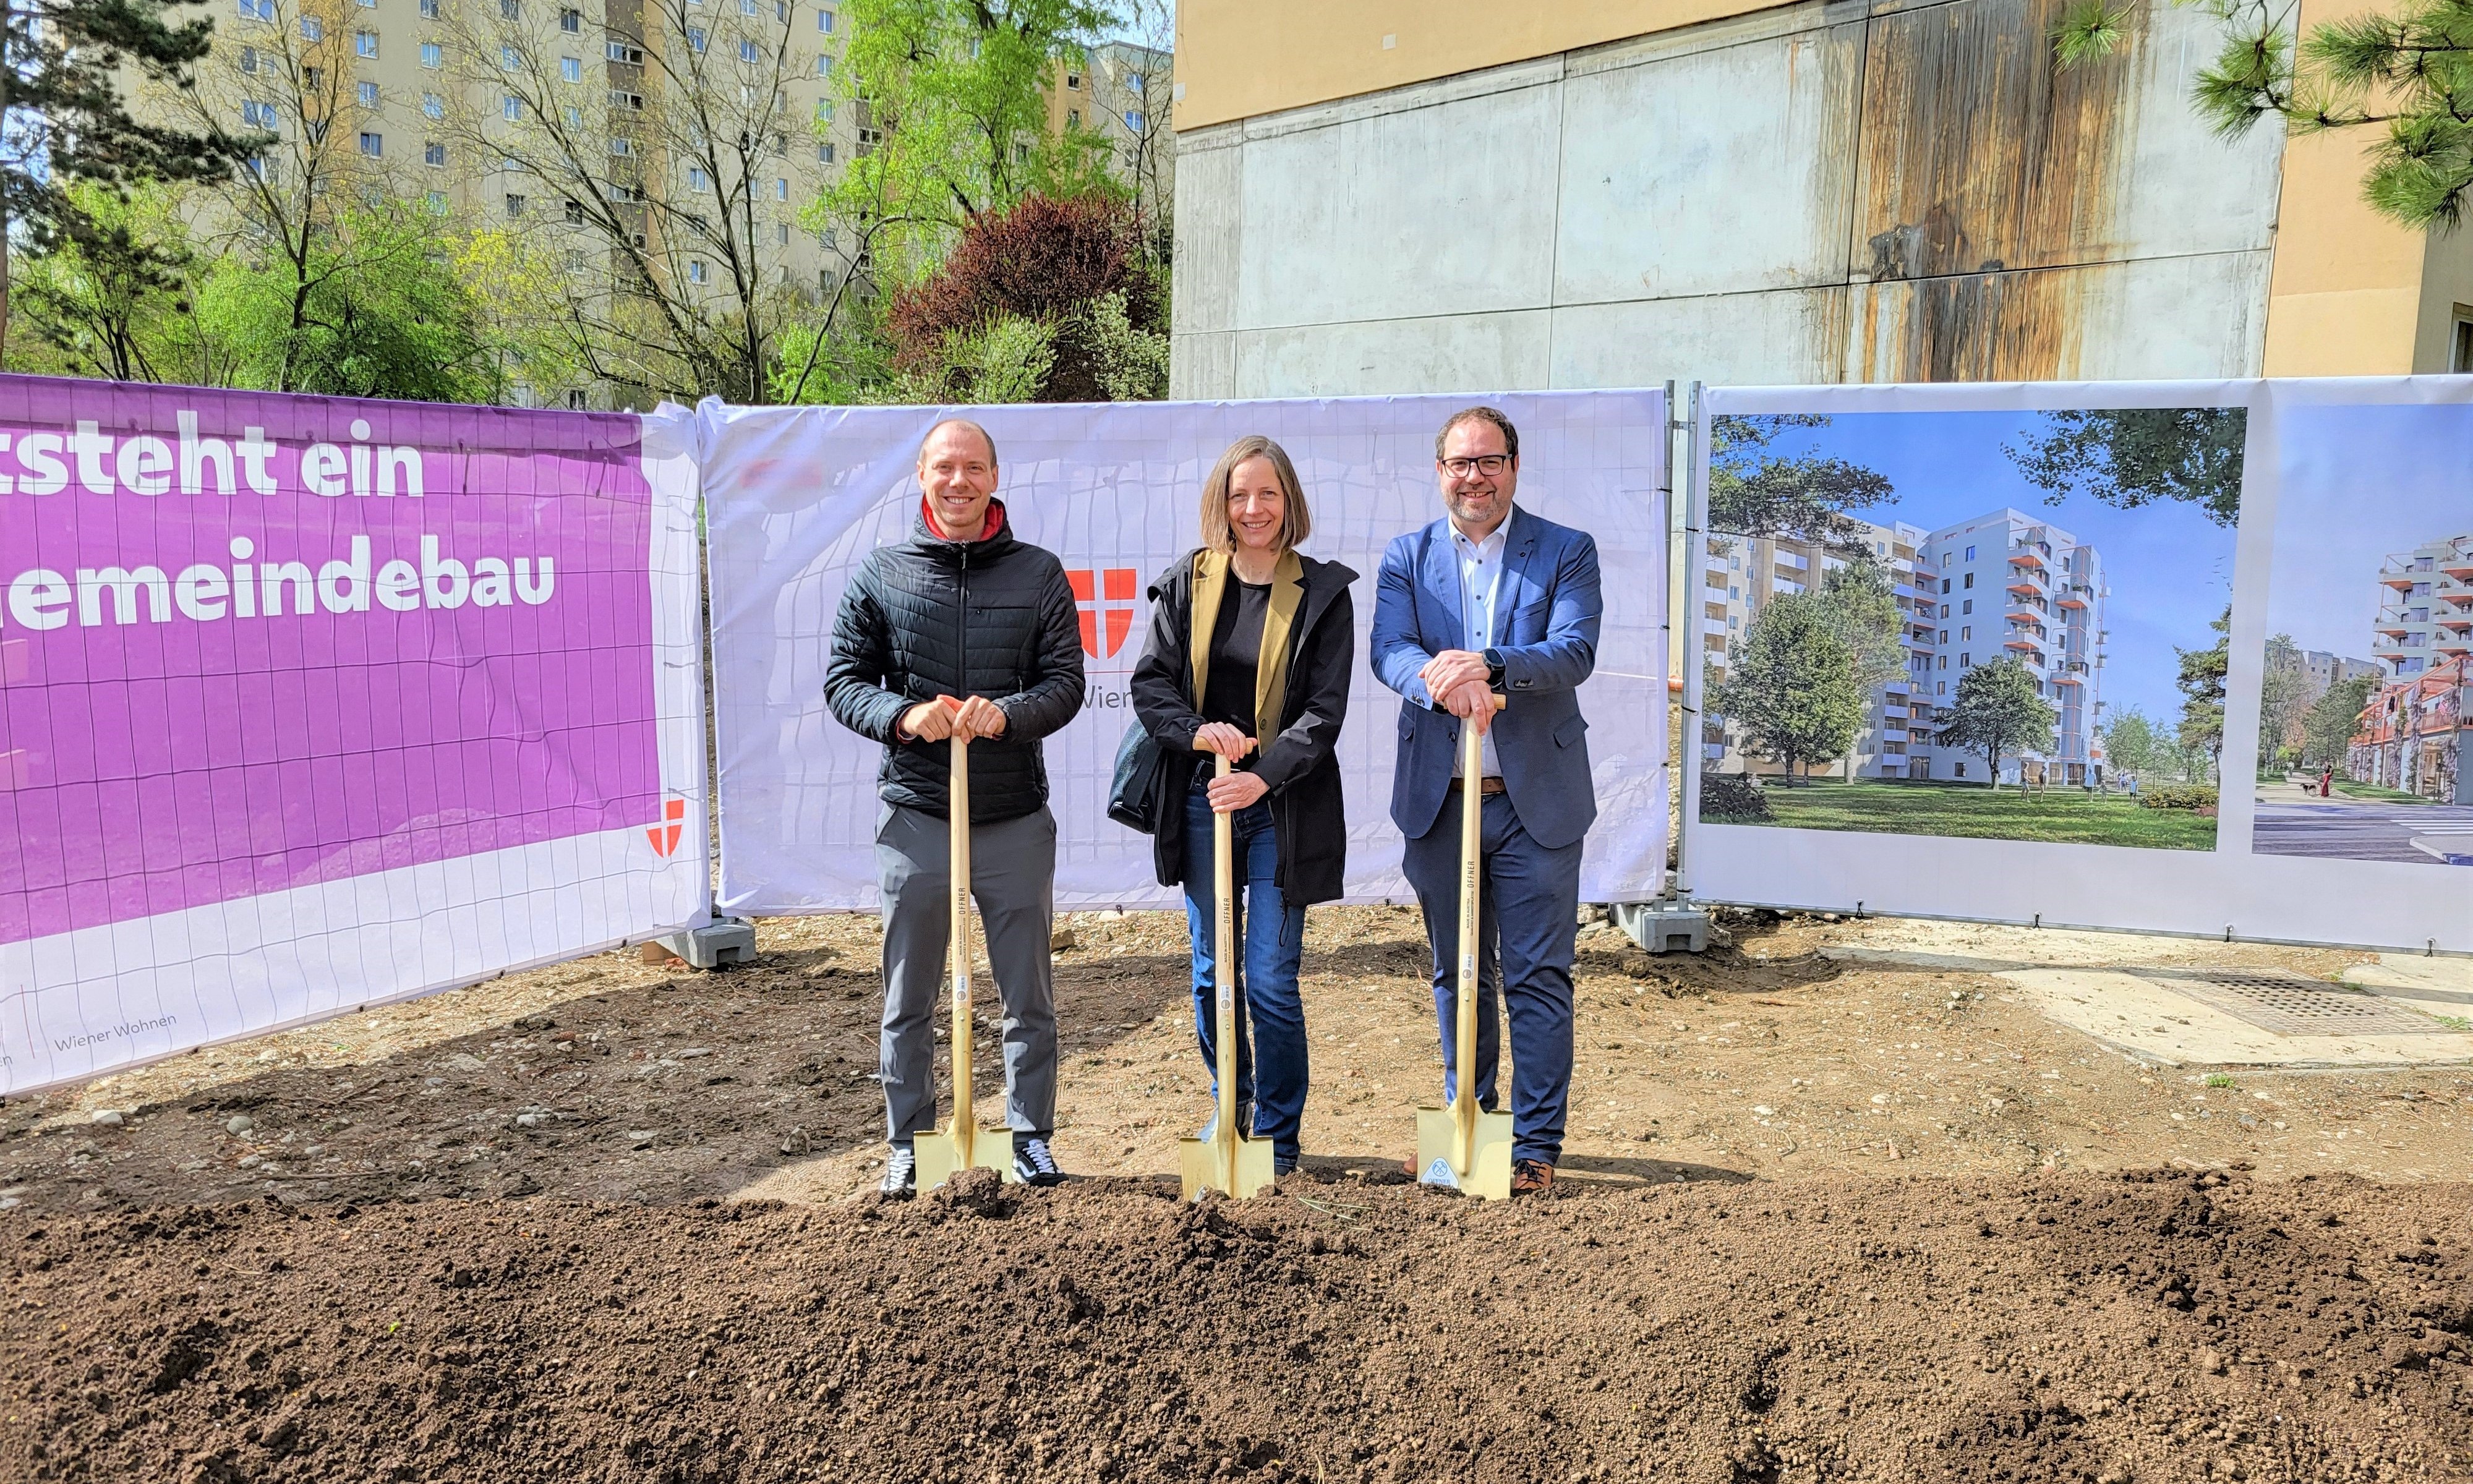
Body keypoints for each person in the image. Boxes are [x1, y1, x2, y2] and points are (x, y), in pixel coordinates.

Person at [824, 418, 1085, 1197]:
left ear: (996, 477)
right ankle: (909, 1140)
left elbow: (1065, 683)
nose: (959, 482)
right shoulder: (882, 573)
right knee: (909, 994)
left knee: (1026, 994)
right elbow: (844, 679)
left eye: (974, 468)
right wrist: (903, 716)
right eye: (945, 468)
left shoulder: (1038, 574)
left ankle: (1031, 1136)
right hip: (916, 816)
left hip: (1013, 816)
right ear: (921, 476)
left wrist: (1009, 714)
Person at [1371, 406, 1601, 1198]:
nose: (1475, 476)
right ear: (1440, 470)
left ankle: (1534, 1149)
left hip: (1536, 804)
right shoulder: (1408, 556)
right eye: (1460, 463)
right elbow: (1389, 650)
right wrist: (1437, 681)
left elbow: (1574, 650)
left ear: (1514, 466)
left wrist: (1490, 666)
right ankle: (1468, 1118)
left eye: (1490, 461)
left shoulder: (1566, 551)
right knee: (1455, 969)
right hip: (1440, 799)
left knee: (1537, 975)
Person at [1129, 435, 1357, 1178]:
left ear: (1289, 501)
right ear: (1220, 505)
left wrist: (1261, 776)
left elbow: (1323, 715)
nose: (1252, 509)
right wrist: (1198, 734)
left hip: (1280, 806)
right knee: (1209, 973)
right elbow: (1149, 686)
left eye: (1267, 494)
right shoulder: (1186, 585)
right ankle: (1231, 1106)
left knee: (1266, 976)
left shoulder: (1324, 594)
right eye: (1238, 495)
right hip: (1203, 803)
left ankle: (1279, 1136)